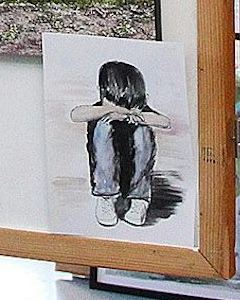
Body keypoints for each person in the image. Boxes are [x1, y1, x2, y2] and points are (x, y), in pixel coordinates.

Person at [67, 60, 171, 228]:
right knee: (103, 125)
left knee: (142, 130)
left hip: (132, 170)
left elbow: (164, 121)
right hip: (107, 175)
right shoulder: (101, 109)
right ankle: (106, 198)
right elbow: (75, 114)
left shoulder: (138, 111)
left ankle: (139, 199)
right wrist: (110, 110)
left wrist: (132, 116)